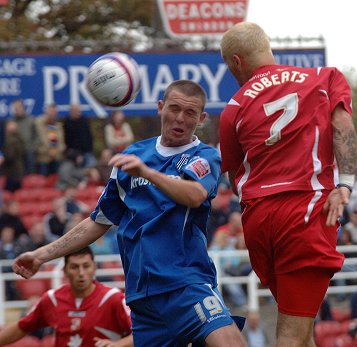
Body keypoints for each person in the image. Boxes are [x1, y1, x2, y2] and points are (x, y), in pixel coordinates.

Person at [12, 80, 247, 347]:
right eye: (174, 108)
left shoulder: (203, 156)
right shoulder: (133, 156)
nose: (180, 118)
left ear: (202, 118)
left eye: (190, 113)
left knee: (231, 342)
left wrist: (147, 173)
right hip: (142, 298)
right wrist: (41, 255)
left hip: (185, 284)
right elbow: (97, 222)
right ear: (160, 108)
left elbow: (194, 195)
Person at [219, 22, 357, 346]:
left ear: (237, 62)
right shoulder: (324, 77)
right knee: (291, 337)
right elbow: (342, 124)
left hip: (257, 221)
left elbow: (235, 175)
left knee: (300, 327)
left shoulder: (233, 109)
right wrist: (346, 184)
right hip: (303, 213)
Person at [0, 247, 133, 346]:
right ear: (64, 271)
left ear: (94, 268)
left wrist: (118, 345)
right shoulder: (52, 299)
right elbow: (21, 327)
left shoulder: (113, 298)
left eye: (86, 266)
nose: (81, 273)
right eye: (74, 267)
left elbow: (141, 333)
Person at [34, 103, 66, 176]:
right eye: (50, 112)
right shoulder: (39, 123)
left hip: (56, 157)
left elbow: (61, 142)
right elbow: (41, 139)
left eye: (54, 112)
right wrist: (49, 151)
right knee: (43, 179)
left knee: (56, 178)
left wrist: (57, 151)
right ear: (46, 112)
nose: (52, 114)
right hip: (43, 158)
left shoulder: (58, 125)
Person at [63, 103, 97, 168]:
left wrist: (89, 149)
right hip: (75, 153)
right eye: (76, 111)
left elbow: (89, 136)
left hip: (87, 151)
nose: (78, 112)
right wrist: (76, 154)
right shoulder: (67, 123)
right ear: (71, 111)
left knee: (93, 166)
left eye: (79, 110)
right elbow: (68, 140)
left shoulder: (84, 120)